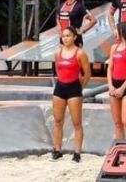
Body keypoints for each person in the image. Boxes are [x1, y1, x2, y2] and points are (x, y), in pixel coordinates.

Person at [50, 26, 91, 163]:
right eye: (63, 36)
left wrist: (80, 87)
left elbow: (87, 73)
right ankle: (57, 150)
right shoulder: (57, 52)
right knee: (57, 121)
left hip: (74, 89)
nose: (65, 38)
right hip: (60, 88)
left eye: (68, 35)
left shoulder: (80, 53)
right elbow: (58, 70)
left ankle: (77, 152)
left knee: (77, 122)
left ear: (74, 37)